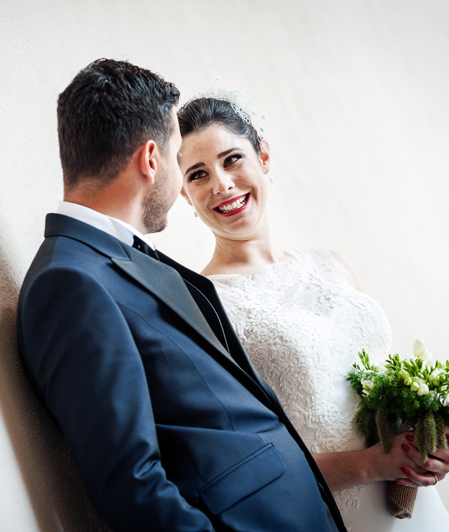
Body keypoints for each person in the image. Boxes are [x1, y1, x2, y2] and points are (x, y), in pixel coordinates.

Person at [17, 59, 347, 532]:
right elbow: (129, 485)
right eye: (178, 160)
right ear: (151, 160)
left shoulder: (115, 258)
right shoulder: (69, 282)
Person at [176, 91, 449, 531]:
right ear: (184, 195)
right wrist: (368, 465)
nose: (221, 184)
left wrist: (434, 438)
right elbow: (239, 466)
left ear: (263, 156)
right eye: (198, 174)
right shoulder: (202, 305)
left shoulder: (332, 264)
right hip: (330, 516)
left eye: (232, 159)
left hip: (418, 510)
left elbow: (392, 384)